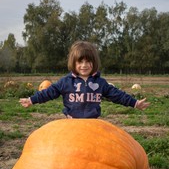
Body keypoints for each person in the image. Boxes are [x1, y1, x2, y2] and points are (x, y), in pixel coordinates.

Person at [19, 41, 150, 118]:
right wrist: (32, 100)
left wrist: (134, 103)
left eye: (88, 61)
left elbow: (117, 95)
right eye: (80, 62)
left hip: (93, 124)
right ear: (74, 63)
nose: (84, 65)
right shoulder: (66, 82)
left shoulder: (100, 83)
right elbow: (49, 92)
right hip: (71, 123)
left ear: (94, 62)